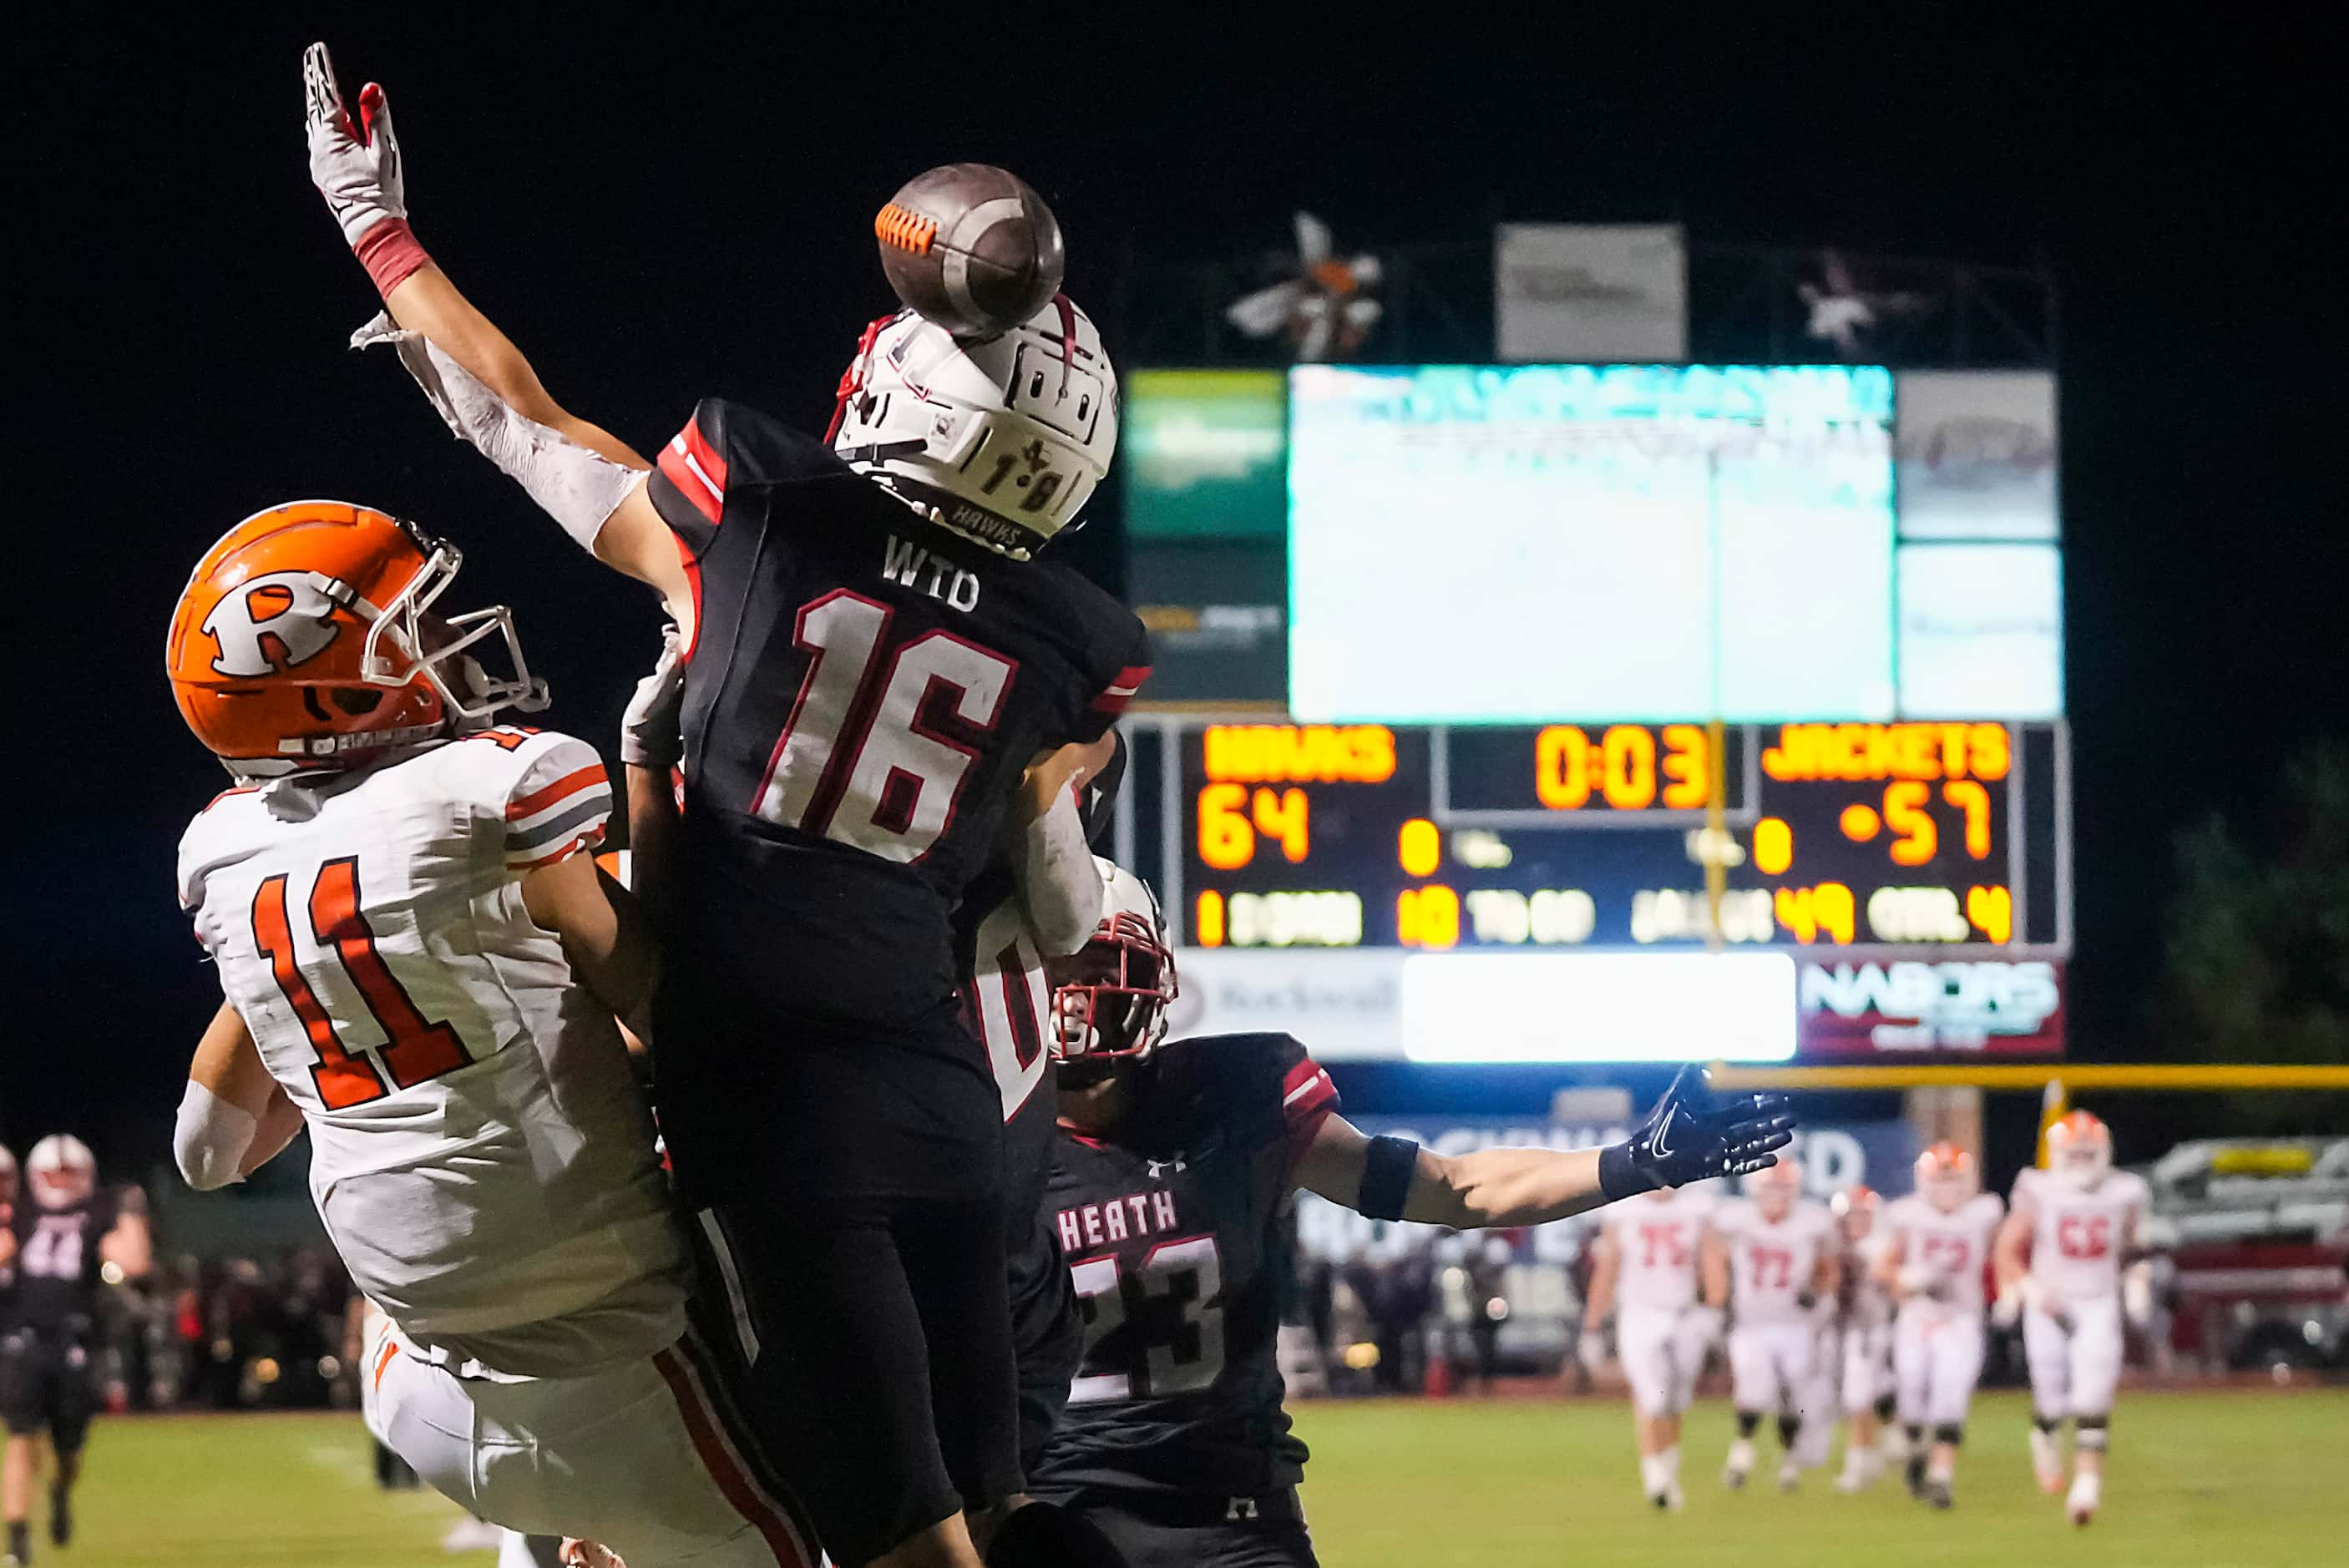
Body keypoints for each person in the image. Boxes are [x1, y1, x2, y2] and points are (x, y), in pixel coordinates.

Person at [304, 48, 1148, 1568]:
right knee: (1012, 1515)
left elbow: (518, 418)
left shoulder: (754, 518)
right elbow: (1047, 898)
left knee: (891, 1537)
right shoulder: (1071, 651)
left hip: (774, 1103)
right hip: (946, 1096)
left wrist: (382, 236)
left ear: (908, 392)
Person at [167, 499, 818, 1566]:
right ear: (331, 690)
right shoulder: (483, 796)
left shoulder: (232, 857)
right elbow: (683, 1030)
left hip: (413, 1384)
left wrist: (294, 966)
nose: (442, 646)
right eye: (407, 632)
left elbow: (207, 1153)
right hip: (620, 1370)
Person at [1025, 862, 1795, 1566]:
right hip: (1057, 1516)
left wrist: (1634, 1163)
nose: (1074, 995)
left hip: (1228, 1509)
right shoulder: (977, 1132)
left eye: (1094, 965)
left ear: (1153, 974)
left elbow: (1453, 1188)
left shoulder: (1234, 1092)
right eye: (1052, 969)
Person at [1992, 1110, 2151, 1527]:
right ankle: (2044, 1435)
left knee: (2092, 1396)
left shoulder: (2125, 1190)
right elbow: (2007, 1248)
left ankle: (2086, 1489)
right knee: (2050, 1396)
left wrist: (2137, 1281)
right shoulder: (2039, 1189)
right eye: (2074, 1153)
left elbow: (2135, 1246)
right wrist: (2026, 1289)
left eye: (2089, 1153)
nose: (2081, 1160)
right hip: (2049, 1302)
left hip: (2098, 1300)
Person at [0, 1137, 151, 1566]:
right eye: (54, 1174)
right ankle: (17, 1540)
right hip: (22, 1337)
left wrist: (133, 1214)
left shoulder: (100, 1211)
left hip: (76, 1341)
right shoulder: (23, 1212)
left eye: (70, 1174)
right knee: (20, 1436)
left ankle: (61, 1488)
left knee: (68, 1451)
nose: (62, 1183)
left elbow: (133, 1261)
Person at [1877, 1143, 2005, 1510]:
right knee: (1913, 1395)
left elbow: (2002, 1254)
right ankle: (1918, 1449)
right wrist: (1905, 1277)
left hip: (1962, 1319)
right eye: (1941, 1179)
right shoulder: (1909, 1216)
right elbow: (1882, 1269)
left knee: (1952, 1394)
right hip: (1918, 1319)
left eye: (1954, 1179)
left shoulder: (1984, 1214)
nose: (1948, 1188)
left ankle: (1941, 1476)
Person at [1580, 1185, 1723, 1510]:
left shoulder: (1698, 1207)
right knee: (1651, 1396)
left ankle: (1668, 1462)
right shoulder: (1623, 1209)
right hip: (1639, 1312)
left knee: (1676, 1399)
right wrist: (1592, 1324)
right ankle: (1654, 1473)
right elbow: (1608, 1269)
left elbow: (1711, 1260)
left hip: (1685, 1313)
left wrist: (1714, 1307)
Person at [1703, 1157, 1838, 1492]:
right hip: (1751, 1323)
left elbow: (1828, 1269)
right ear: (1754, 1189)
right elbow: (1708, 1249)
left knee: (1792, 1394)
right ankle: (1741, 1455)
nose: (1777, 1196)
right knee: (1753, 1390)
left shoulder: (1812, 1222)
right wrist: (1716, 1295)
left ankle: (1789, 1462)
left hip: (1796, 1324)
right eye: (1770, 1188)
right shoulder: (1736, 1219)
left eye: (1783, 1188)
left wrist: (1818, 1293)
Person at [1827, 1186, 1901, 1493]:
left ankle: (1860, 1462)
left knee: (1859, 1397)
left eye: (1862, 1215)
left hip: (1877, 1330)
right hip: (1846, 1331)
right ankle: (1877, 1450)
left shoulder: (1881, 1247)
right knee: (1861, 1396)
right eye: (1851, 1216)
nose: (1856, 1222)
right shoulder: (1833, 1246)